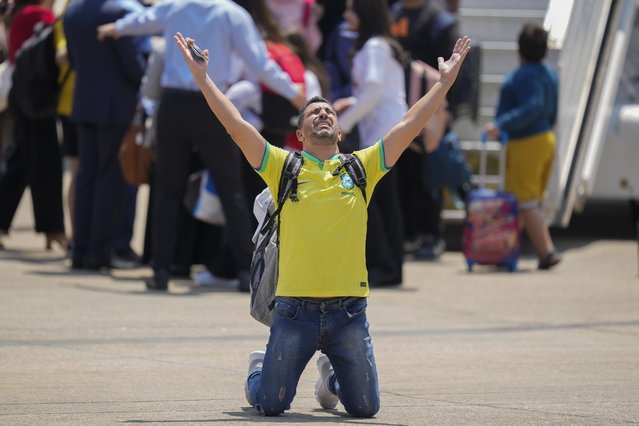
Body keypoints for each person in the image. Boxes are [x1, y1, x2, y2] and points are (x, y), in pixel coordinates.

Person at [174, 28, 470, 417]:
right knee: (271, 403)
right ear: (299, 134)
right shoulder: (284, 166)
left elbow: (409, 125)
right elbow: (236, 126)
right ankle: (260, 367)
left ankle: (331, 375)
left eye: (329, 110)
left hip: (349, 313)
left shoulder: (360, 167)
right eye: (313, 111)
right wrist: (202, 78)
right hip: (294, 312)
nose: (323, 113)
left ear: (340, 130)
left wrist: (444, 84)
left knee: (365, 408)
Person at [97, 0, 306, 292]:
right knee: (229, 187)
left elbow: (145, 19)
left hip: (173, 104)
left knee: (168, 190)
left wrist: (115, 28)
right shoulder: (233, 14)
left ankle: (160, 270)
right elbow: (259, 62)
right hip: (211, 104)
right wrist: (293, 93)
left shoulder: (177, 6)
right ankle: (247, 272)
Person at [63, 0, 149, 270]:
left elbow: (74, 61)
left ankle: (80, 249)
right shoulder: (120, 11)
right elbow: (132, 66)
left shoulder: (73, 9)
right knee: (108, 177)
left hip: (85, 101)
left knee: (87, 175)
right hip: (115, 105)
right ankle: (99, 252)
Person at [334, 0, 407, 286]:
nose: (345, 15)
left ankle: (384, 265)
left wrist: (345, 123)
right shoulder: (381, 45)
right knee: (385, 204)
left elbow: (374, 90)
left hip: (381, 134)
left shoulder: (375, 47)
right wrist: (352, 104)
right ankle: (390, 267)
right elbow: (378, 92)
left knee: (378, 204)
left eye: (351, 9)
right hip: (387, 131)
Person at [484, 23, 561, 270]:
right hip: (545, 139)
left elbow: (533, 106)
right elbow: (548, 108)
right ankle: (504, 250)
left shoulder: (524, 75)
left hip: (526, 143)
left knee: (525, 202)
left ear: (520, 49)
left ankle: (547, 252)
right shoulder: (549, 73)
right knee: (525, 201)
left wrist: (500, 124)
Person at [391, 0, 459, 260]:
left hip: (432, 112)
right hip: (401, 112)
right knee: (403, 177)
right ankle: (408, 235)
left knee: (428, 178)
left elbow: (457, 67)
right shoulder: (395, 13)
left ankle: (431, 235)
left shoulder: (439, 21)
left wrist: (449, 108)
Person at [0, 0, 68, 251]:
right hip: (37, 99)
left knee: (20, 161)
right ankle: (54, 230)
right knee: (45, 163)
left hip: (22, 94)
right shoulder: (39, 14)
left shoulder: (19, 14)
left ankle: (50, 229)